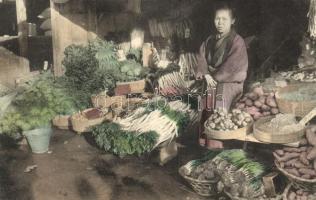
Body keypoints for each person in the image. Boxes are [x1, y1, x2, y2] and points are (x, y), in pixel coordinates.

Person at [195, 2, 248, 149]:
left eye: (224, 19)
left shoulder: (238, 42)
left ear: (233, 21)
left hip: (231, 82)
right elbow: (202, 59)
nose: (220, 23)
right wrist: (205, 74)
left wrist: (215, 77)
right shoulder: (209, 41)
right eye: (217, 19)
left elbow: (233, 67)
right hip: (211, 80)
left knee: (220, 102)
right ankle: (206, 142)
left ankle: (219, 145)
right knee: (206, 100)